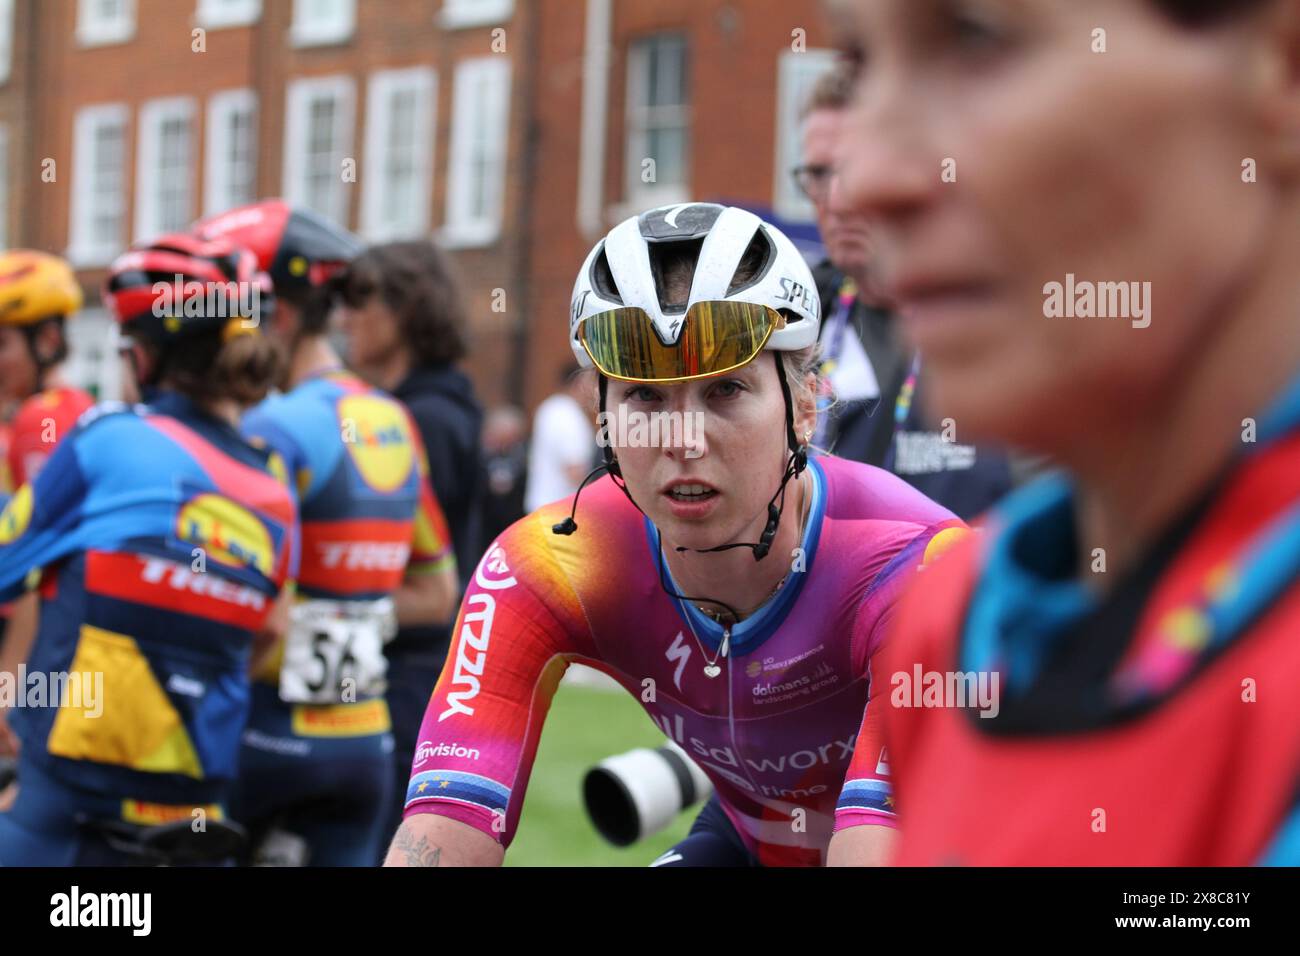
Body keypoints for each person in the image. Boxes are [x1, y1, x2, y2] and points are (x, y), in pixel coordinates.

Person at [827, 0, 1300, 866]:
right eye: (861, 64)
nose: (864, 180)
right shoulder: (958, 612)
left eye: (976, 37)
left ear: (1282, 68)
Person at [384, 203, 966, 867]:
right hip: (750, 841)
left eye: (725, 391)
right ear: (599, 415)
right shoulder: (551, 564)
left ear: (805, 407)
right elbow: (439, 835)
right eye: (644, 397)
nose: (681, 439)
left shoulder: (916, 564)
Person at [0, 234, 295, 865]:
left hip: (66, 817)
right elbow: (270, 634)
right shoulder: (276, 493)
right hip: (198, 826)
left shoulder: (105, 439)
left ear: (147, 358)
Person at [193, 201, 460, 866]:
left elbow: (261, 618)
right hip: (362, 745)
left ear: (275, 316)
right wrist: (350, 606)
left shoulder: (269, 430)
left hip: (261, 735)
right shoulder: (392, 418)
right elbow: (436, 592)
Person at [796, 70, 1019, 520]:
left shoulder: (1016, 317)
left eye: (855, 168)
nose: (836, 201)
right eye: (819, 174)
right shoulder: (788, 316)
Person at [331, 241, 486, 859]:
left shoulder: (423, 419)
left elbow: (403, 560)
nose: (344, 318)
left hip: (409, 669)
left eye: (359, 302)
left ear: (404, 310)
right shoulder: (429, 409)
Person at [0, 251, 95, 494]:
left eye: (1, 344)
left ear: (47, 341)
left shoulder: (43, 417)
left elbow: (35, 526)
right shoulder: (76, 406)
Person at [524, 365, 596, 513]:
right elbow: (575, 470)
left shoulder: (550, 407)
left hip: (544, 507)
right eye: (592, 381)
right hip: (561, 512)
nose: (597, 389)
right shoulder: (569, 416)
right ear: (579, 382)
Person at [479, 406, 529, 553]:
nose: (505, 443)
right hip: (485, 523)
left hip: (513, 521)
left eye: (511, 438)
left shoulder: (523, 454)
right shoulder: (480, 453)